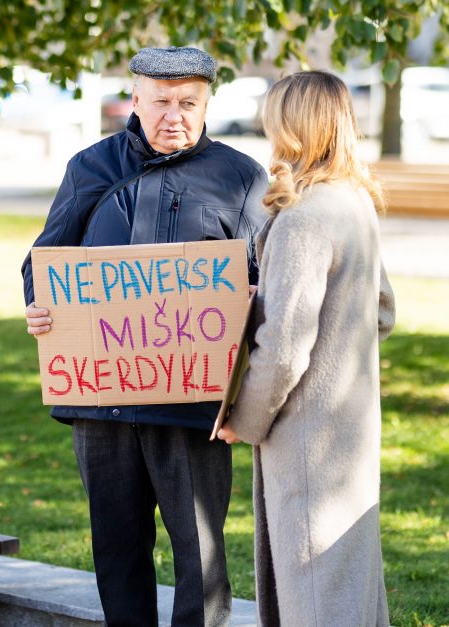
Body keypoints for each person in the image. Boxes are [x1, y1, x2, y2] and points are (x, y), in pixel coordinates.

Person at [22, 47, 268, 627]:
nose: (174, 116)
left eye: (189, 103)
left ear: (208, 103)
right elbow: (45, 258)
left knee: (200, 556)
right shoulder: (92, 166)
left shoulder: (240, 177)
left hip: (193, 407)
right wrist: (39, 303)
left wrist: (252, 303)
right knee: (117, 549)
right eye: (161, 102)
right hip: (102, 402)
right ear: (135, 99)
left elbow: (265, 277)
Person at [215, 71, 395, 626]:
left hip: (307, 435)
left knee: (316, 596)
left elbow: (285, 349)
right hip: (351, 425)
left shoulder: (303, 219)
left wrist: (242, 419)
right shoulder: (354, 204)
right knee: (348, 583)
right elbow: (383, 311)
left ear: (290, 127)